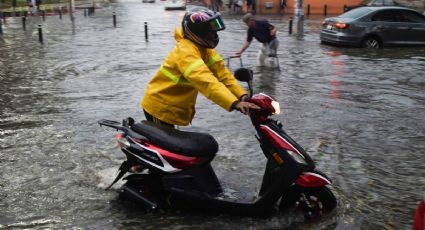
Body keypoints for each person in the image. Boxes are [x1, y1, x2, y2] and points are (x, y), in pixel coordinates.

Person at [141, 7, 259, 127]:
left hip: (172, 107)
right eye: (211, 31)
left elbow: (223, 75)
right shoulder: (185, 52)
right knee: (168, 144)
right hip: (159, 108)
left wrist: (242, 95)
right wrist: (234, 103)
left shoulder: (205, 49)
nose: (214, 34)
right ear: (198, 32)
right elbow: (206, 81)